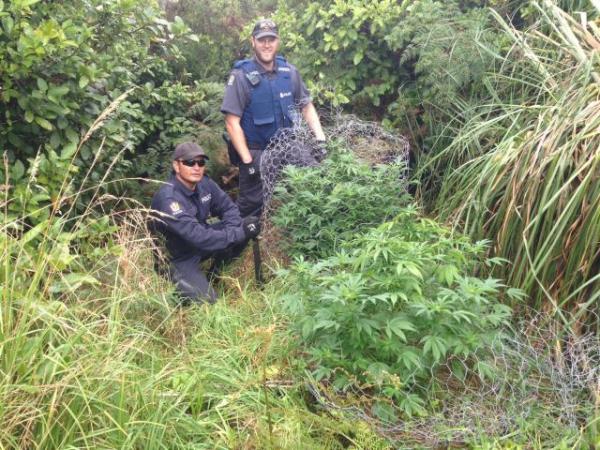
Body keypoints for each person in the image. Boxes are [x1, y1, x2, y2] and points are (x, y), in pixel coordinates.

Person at [221, 18, 326, 217]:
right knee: (251, 211)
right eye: (262, 40)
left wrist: (320, 139)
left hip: (289, 147)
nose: (267, 44)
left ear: (277, 41)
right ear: (253, 41)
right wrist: (248, 161)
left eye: (271, 39)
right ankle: (246, 245)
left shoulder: (289, 72)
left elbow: (306, 106)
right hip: (257, 152)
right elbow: (231, 122)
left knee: (314, 185)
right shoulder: (241, 76)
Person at [151, 142, 260, 304]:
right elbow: (198, 237)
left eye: (201, 162)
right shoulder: (169, 198)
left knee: (243, 225)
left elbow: (228, 208)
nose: (196, 167)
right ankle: (180, 284)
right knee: (208, 302)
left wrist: (235, 230)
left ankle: (215, 274)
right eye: (189, 162)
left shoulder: (204, 184)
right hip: (176, 258)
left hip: (200, 244)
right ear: (176, 165)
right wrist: (237, 234)